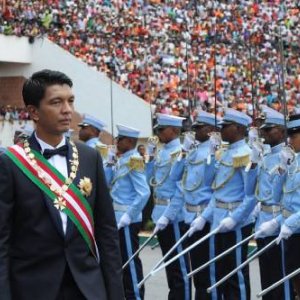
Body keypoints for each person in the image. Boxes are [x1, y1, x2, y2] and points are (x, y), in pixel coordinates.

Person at [0, 69, 124, 300]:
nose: (68, 110)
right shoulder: (10, 163)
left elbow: (106, 232)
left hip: (87, 288)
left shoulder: (89, 157)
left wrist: (115, 293)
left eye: (70, 101)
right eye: (56, 102)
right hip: (32, 289)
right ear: (33, 112)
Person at [200, 108, 258, 300]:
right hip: (218, 218)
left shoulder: (245, 154)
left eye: (225, 127)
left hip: (236, 221)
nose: (221, 130)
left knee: (235, 274)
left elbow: (251, 196)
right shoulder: (224, 153)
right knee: (219, 273)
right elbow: (213, 186)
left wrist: (234, 219)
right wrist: (210, 155)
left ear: (238, 128)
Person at [172, 110, 220, 300]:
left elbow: (212, 184)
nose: (194, 131)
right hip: (189, 216)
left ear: (209, 130)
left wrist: (212, 156)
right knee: (197, 272)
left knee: (207, 272)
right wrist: (183, 152)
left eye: (199, 128)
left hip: (204, 217)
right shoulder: (191, 151)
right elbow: (175, 176)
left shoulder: (216, 151)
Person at [147, 113, 191, 300]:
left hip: (173, 216)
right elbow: (150, 180)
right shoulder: (162, 151)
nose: (158, 134)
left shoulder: (179, 153)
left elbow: (181, 190)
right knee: (170, 265)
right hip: (161, 212)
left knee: (179, 266)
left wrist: (169, 215)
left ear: (174, 130)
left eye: (161, 130)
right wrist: (149, 158)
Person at [105, 124, 150, 300]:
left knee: (130, 264)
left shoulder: (134, 161)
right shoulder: (121, 160)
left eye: (120, 139)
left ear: (129, 142)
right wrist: (109, 163)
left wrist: (128, 216)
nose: (116, 142)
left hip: (127, 220)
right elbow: (107, 183)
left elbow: (144, 192)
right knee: (121, 263)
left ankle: (136, 297)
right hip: (117, 218)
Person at [253, 107, 293, 300]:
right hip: (263, 222)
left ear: (282, 130)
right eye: (263, 129)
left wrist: (277, 221)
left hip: (279, 224)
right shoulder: (265, 156)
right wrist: (253, 163)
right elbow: (253, 191)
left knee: (281, 282)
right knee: (267, 282)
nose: (264, 133)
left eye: (269, 129)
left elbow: (287, 199)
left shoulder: (288, 156)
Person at [275, 114, 300, 298]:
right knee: (295, 285)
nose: (290, 141)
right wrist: (282, 168)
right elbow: (277, 196)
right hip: (291, 231)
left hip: (294, 228)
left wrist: (290, 223)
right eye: (289, 136)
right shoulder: (293, 162)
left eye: (294, 136)